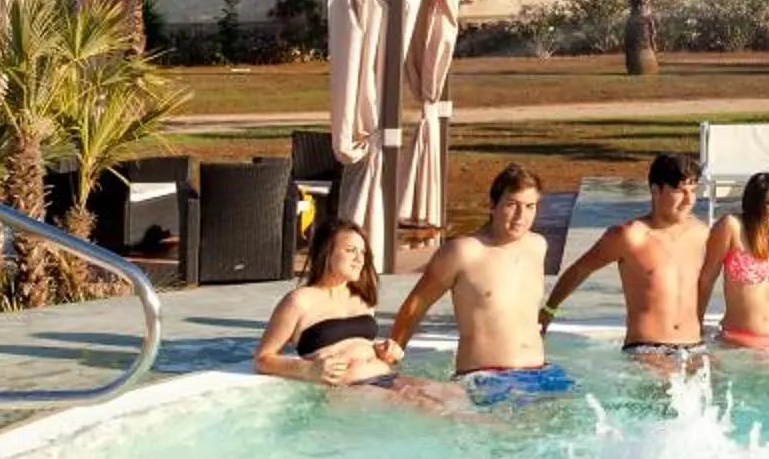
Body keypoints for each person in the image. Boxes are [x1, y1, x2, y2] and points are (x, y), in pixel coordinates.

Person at [389, 160, 572, 400]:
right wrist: (393, 355)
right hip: (487, 378)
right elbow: (416, 304)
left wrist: (549, 310)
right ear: (493, 205)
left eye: (530, 206)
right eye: (512, 205)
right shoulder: (464, 251)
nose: (521, 216)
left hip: (542, 372)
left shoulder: (537, 246)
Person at [541, 152, 709, 366]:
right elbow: (580, 269)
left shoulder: (701, 233)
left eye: (693, 191)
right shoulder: (630, 236)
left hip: (694, 346)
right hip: (648, 348)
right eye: (679, 191)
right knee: (665, 391)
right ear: (656, 191)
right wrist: (549, 310)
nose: (689, 200)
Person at [255, 219, 407, 385]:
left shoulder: (363, 298)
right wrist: (309, 369)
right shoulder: (299, 301)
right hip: (350, 391)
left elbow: (356, 346)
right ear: (327, 254)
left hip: (387, 377)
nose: (359, 259)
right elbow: (263, 359)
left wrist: (385, 352)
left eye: (362, 252)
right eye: (351, 250)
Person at [693, 167, 769, 348]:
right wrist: (696, 321)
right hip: (737, 342)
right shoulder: (731, 227)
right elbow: (707, 277)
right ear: (756, 205)